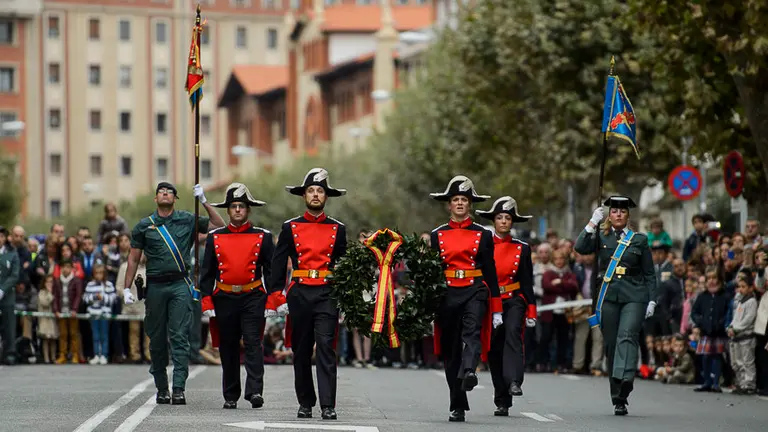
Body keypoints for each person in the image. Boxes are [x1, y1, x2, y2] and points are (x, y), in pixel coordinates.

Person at [122, 182, 225, 405]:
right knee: (157, 340)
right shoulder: (144, 226)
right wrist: (125, 288)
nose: (165, 193)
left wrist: (204, 201)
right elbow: (132, 258)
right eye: (161, 191)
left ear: (175, 199)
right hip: (155, 287)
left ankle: (178, 388)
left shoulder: (188, 219)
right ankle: (161, 388)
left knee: (180, 338)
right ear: (155, 199)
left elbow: (219, 225)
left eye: (169, 191)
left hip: (180, 285)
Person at [270, 168, 348, 420]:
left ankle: (328, 404)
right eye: (311, 191)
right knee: (301, 349)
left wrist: (348, 296)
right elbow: (278, 263)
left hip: (327, 292)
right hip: (300, 293)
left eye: (320, 191)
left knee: (326, 347)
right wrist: (276, 296)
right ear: (304, 195)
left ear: (327, 196)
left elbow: (345, 265)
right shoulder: (290, 226)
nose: (315, 195)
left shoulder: (339, 228)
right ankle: (305, 401)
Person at [199, 182, 282, 409]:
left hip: (253, 295)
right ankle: (230, 394)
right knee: (228, 346)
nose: (237, 210)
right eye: (234, 206)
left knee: (254, 343)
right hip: (224, 297)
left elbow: (272, 269)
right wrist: (206, 299)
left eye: (241, 206)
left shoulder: (263, 236)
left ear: (248, 210)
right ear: (228, 210)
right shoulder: (215, 237)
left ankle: (254, 391)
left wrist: (274, 298)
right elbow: (207, 272)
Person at [574, 196, 658, 416]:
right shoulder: (601, 235)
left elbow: (649, 272)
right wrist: (592, 223)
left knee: (627, 334)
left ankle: (627, 377)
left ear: (628, 215)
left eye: (622, 211)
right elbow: (580, 248)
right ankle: (618, 396)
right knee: (611, 344)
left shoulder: (639, 239)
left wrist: (651, 299)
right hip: (608, 296)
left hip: (634, 294)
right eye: (614, 211)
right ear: (609, 216)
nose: (618, 214)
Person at [429, 175, 503, 423]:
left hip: (474, 288)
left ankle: (470, 370)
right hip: (448, 293)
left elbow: (490, 271)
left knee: (471, 333)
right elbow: (431, 272)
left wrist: (497, 308)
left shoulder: (483, 234)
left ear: (470, 204)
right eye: (456, 199)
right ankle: (457, 404)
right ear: (449, 205)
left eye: (464, 199)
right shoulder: (436, 234)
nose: (460, 203)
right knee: (451, 351)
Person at [476, 197, 537, 417]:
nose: (503, 221)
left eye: (507, 218)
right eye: (500, 217)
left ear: (512, 222)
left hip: (514, 298)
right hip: (491, 300)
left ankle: (514, 381)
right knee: (494, 348)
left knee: (513, 333)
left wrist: (531, 309)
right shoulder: (484, 245)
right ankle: (502, 400)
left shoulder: (522, 248)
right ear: (494, 221)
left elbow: (528, 281)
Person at [0, 225, 21, 365]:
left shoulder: (12, 253)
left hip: (7, 295)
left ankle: (10, 353)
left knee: (9, 325)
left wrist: (2, 290)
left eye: (1, 236)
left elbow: (14, 275)